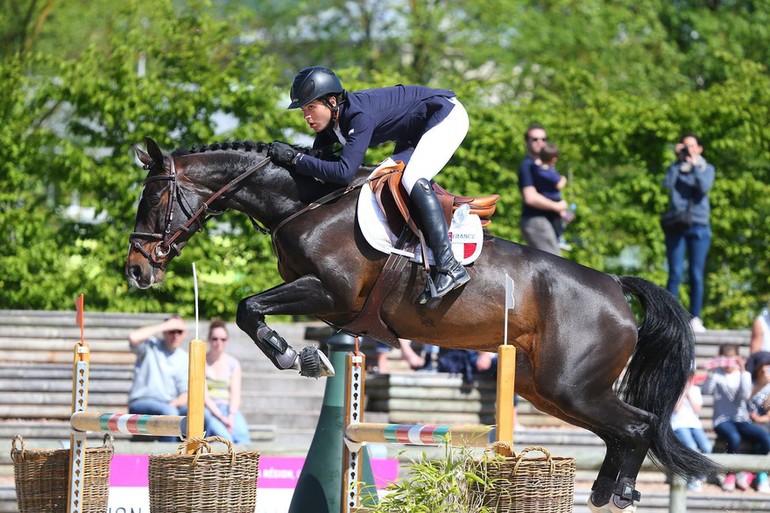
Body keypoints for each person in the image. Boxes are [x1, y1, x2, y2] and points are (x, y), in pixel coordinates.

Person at [269, 66, 470, 304]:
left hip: (445, 116)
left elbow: (344, 173)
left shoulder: (358, 117)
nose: (306, 116)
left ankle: (449, 265)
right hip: (414, 131)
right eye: (303, 109)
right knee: (387, 177)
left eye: (311, 107)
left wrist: (295, 158)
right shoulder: (332, 125)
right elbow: (317, 163)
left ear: (332, 102)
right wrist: (292, 160)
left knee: (412, 178)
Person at [662, 133, 715, 333]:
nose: (688, 150)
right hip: (677, 225)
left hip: (699, 225)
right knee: (674, 273)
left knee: (695, 274)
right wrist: (678, 162)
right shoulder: (676, 168)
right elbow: (667, 184)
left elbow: (703, 187)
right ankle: (670, 317)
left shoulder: (707, 168)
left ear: (699, 149)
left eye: (692, 146)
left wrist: (693, 165)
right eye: (685, 146)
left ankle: (695, 317)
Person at [701, 344, 770, 491]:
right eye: (725, 361)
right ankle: (731, 474)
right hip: (722, 421)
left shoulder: (742, 375)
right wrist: (712, 371)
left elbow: (745, 396)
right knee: (734, 438)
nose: (728, 365)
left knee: (765, 438)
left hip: (741, 419)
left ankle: (749, 471)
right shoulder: (717, 374)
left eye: (731, 361)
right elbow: (706, 390)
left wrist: (743, 370)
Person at [127, 316, 190, 442]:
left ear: (185, 334)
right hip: (141, 402)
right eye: (171, 331)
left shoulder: (184, 358)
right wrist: (165, 325)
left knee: (200, 415)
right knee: (170, 414)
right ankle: (170, 457)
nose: (175, 335)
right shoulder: (150, 346)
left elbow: (185, 393)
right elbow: (133, 337)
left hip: (169, 405)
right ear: (164, 332)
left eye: (179, 331)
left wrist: (173, 404)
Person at [518, 124, 569, 255]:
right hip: (536, 220)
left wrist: (563, 212)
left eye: (543, 139)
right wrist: (557, 206)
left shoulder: (547, 165)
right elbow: (530, 197)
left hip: (549, 221)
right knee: (556, 265)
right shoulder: (528, 166)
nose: (540, 142)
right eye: (535, 139)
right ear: (527, 142)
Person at [203, 320, 252, 444]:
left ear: (227, 341)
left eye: (223, 339)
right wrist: (221, 418)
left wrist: (230, 416)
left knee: (242, 437)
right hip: (209, 411)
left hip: (229, 410)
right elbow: (205, 397)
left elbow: (235, 394)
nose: (219, 343)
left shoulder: (233, 364)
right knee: (226, 438)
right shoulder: (201, 362)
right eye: (215, 339)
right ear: (209, 340)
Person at [671, 371, 712, 491]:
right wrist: (683, 392)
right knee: (692, 447)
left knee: (707, 447)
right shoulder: (674, 390)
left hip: (694, 424)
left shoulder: (695, 390)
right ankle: (693, 477)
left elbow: (697, 410)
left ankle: (699, 476)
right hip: (679, 424)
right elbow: (676, 409)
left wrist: (689, 393)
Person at [533, 142, 573, 250]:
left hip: (544, 198)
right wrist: (564, 179)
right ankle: (559, 239)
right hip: (555, 200)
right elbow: (559, 185)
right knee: (558, 221)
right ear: (553, 159)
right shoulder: (551, 172)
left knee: (556, 218)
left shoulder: (537, 169)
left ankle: (564, 215)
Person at [747, 351, 770, 493]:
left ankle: (753, 473)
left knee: (764, 438)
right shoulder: (749, 381)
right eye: (763, 367)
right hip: (747, 421)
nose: (765, 370)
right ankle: (760, 476)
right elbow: (745, 399)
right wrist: (761, 385)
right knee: (764, 439)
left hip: (763, 422)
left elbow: (767, 409)